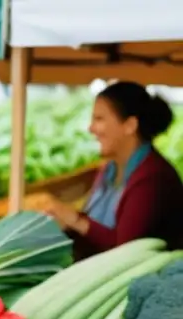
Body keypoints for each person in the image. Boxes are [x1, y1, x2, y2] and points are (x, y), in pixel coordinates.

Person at [46, 81, 183, 254]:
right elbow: (93, 235)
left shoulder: (153, 178)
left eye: (99, 119)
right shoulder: (108, 170)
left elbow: (124, 250)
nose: (91, 128)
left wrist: (76, 220)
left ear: (129, 126)